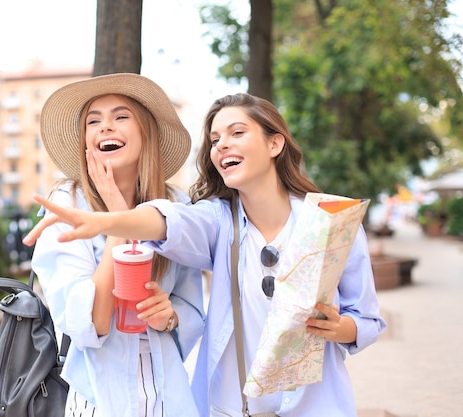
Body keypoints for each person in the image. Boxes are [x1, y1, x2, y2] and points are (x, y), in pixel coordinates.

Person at [24, 92, 387, 417]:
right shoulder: (217, 221)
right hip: (213, 407)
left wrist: (341, 328)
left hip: (309, 406)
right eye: (215, 139)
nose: (222, 145)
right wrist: (114, 221)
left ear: (275, 143)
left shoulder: (333, 224)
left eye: (236, 133)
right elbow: (169, 223)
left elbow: (367, 319)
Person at [30, 73, 206, 417]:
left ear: (146, 133)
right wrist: (116, 213)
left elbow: (190, 306)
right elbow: (91, 322)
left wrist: (168, 316)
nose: (105, 127)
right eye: (93, 121)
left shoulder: (175, 207)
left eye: (120, 116)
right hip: (98, 397)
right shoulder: (67, 205)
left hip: (167, 394)